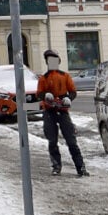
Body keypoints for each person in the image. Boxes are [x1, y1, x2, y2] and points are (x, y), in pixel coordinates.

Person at [37, 49, 89, 177]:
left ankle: (80, 167)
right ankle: (56, 166)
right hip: (49, 111)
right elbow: (39, 93)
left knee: (71, 140)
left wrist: (68, 98)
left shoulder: (65, 76)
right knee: (52, 141)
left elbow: (73, 91)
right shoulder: (44, 78)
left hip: (63, 111)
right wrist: (45, 95)